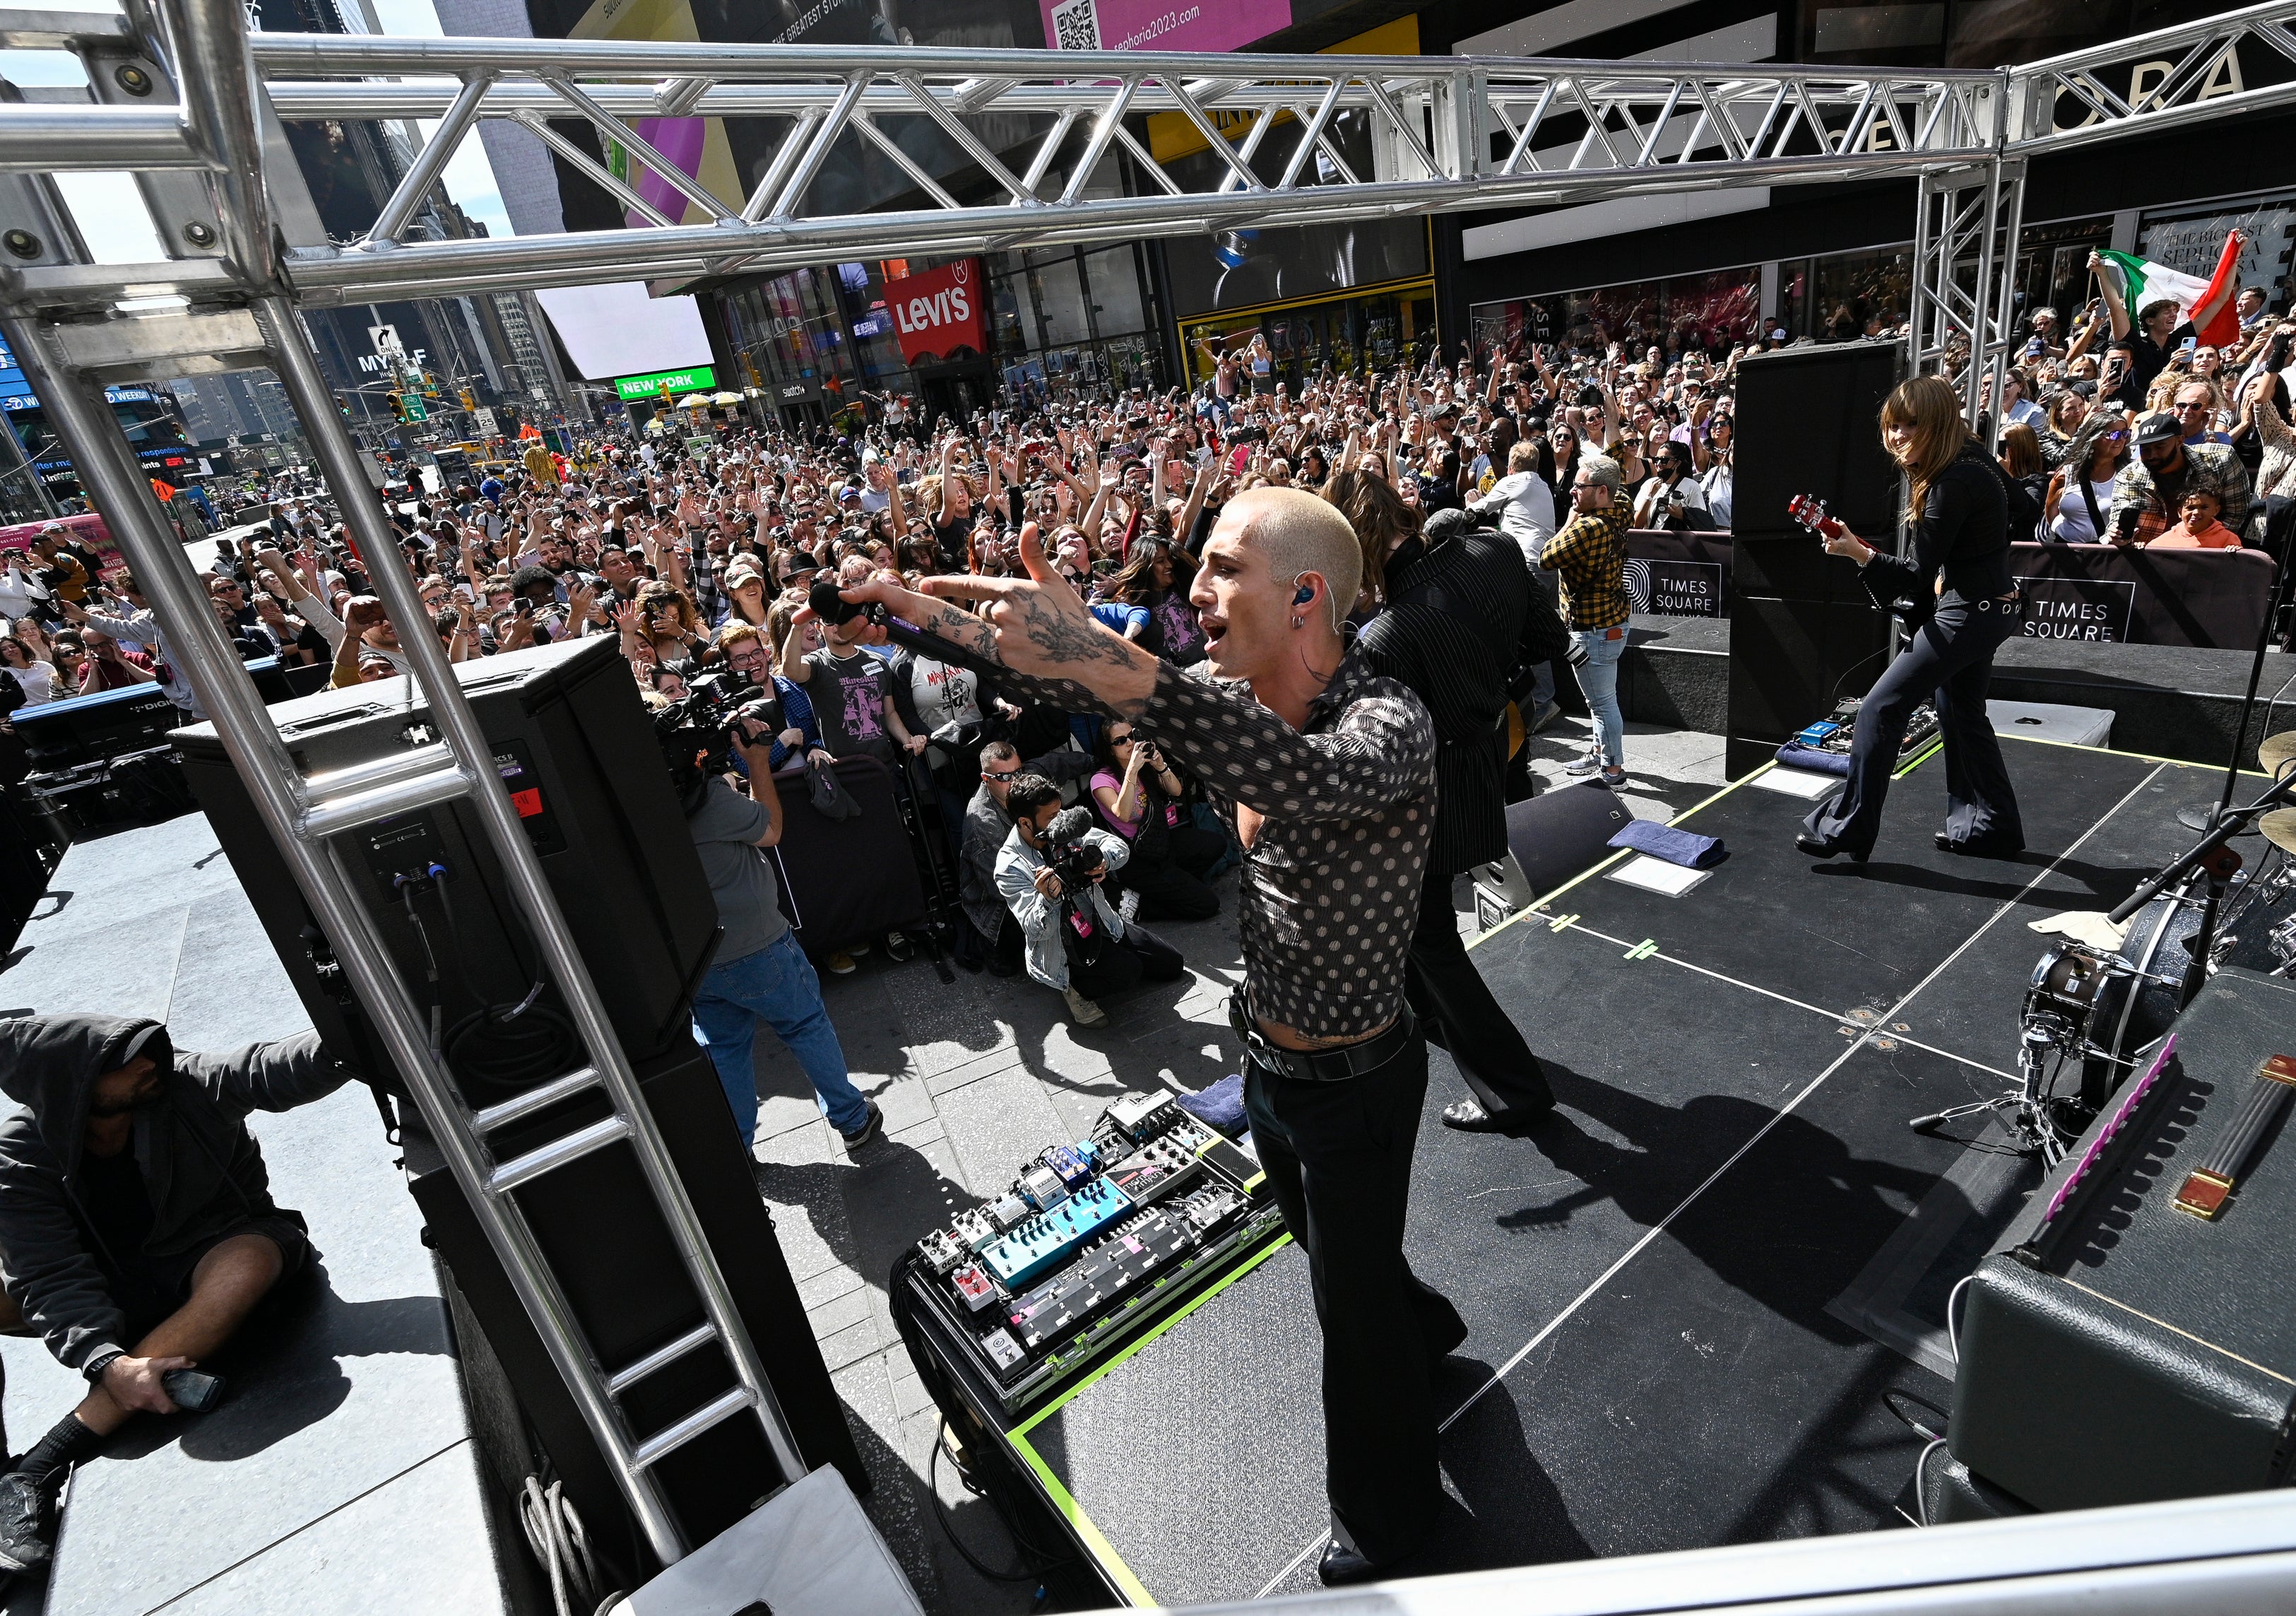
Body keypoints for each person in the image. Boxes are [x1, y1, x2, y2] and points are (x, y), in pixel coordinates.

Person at [846, 491, 1451, 1586]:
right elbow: (1082, 680)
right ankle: (1429, 1331)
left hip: (1356, 1082)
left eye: (1224, 570)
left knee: (1348, 1323)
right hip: (1267, 1066)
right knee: (1338, 1258)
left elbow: (1299, 780)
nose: (1196, 590)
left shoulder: (1386, 722)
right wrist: (920, 615)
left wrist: (1119, 667)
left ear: (1306, 595)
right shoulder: (1229, 692)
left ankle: (1394, 1519)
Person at [0, 1015, 356, 1572]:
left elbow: (266, 1068)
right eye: (123, 1063)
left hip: (213, 1249)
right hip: (115, 1285)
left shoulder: (184, 1083)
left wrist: (354, 1033)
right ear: (75, 1086)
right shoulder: (19, 1156)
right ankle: (7, 1478)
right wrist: (103, 1357)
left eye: (147, 1050)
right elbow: (47, 1273)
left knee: (247, 1263)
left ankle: (39, 1464)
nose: (148, 1065)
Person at [1356, 503, 1558, 1137]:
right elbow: (1549, 641)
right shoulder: (1495, 549)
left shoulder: (1384, 635)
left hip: (1431, 796)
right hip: (1490, 755)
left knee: (1431, 936)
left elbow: (1392, 754)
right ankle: (1430, 1012)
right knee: (1425, 928)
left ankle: (1514, 1091)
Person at [1798, 375, 2024, 861]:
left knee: (1881, 707)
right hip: (1992, 606)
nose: (1896, 436)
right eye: (1891, 425)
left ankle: (1848, 827)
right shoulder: (1973, 461)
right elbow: (2022, 507)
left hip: (1972, 612)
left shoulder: (1950, 482)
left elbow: (1915, 575)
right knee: (1960, 711)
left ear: (1937, 424)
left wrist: (1858, 552)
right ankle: (1991, 825)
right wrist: (1973, 566)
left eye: (1909, 425)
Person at [663, 698, 882, 1153]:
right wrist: (758, 762)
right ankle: (852, 1119)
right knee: (804, 1025)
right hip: (758, 947)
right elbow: (770, 830)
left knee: (724, 1048)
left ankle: (737, 1146)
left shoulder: (641, 805)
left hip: (697, 957)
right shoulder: (711, 802)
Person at [993, 773, 1185, 1026]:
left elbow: (1117, 846)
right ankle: (1072, 986)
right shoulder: (1010, 867)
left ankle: (1111, 959)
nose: (1058, 820)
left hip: (1098, 919)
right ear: (1025, 822)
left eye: (1059, 812)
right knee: (1129, 971)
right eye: (1051, 817)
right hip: (1062, 942)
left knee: (1173, 965)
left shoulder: (1062, 825)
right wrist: (1048, 899)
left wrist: (1103, 861)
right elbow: (1035, 929)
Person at [1540, 454, 1633, 786]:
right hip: (1613, 623)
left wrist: (1568, 520)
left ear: (1603, 491)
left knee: (1603, 703)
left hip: (1593, 631)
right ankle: (1600, 753)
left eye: (1580, 487)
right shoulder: (1621, 508)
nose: (1573, 492)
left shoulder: (1586, 527)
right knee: (1601, 700)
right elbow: (1623, 493)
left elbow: (1546, 558)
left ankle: (1613, 771)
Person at [1087, 719, 1223, 922]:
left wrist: (1160, 767)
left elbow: (1176, 791)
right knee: (1207, 905)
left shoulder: (1145, 766)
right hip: (1138, 857)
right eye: (1121, 741)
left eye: (1132, 736)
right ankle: (1144, 906)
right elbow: (1121, 813)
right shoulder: (1101, 780)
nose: (1130, 743)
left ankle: (1173, 886)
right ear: (1110, 750)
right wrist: (1131, 771)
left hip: (1160, 840)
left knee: (1215, 844)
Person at [2107, 411, 2254, 547]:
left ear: (2180, 441)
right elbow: (2117, 522)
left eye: (2160, 447)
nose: (2152, 455)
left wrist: (2206, 545)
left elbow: (2236, 513)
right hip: (2150, 556)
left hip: (2210, 553)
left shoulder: (2222, 460)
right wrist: (2119, 536)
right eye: (2145, 449)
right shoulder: (2128, 477)